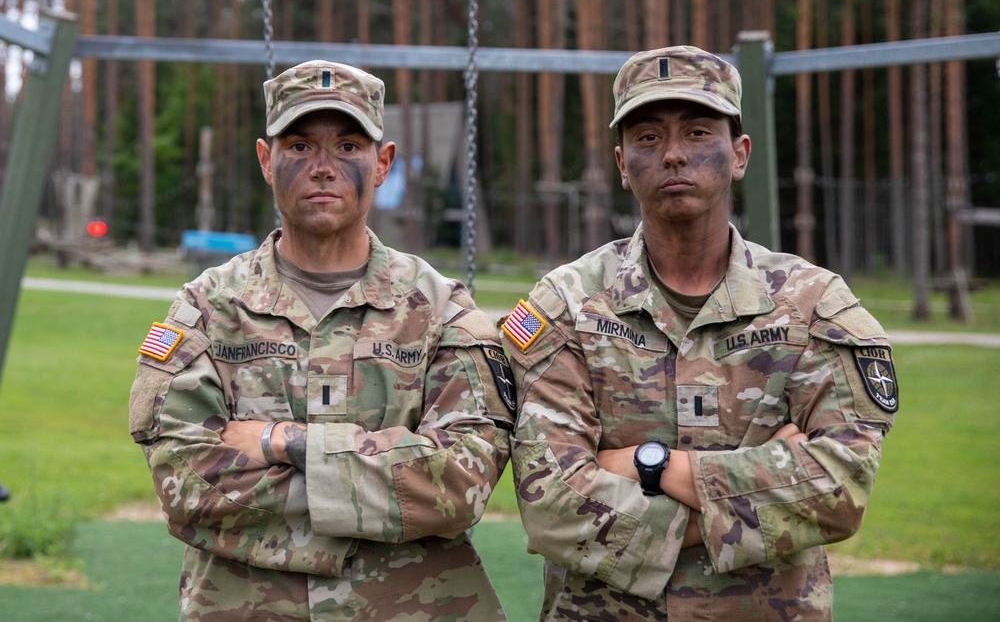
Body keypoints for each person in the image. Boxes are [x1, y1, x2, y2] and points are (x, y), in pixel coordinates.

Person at [500, 45, 898, 621]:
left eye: (697, 132)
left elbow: (840, 488)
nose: (674, 155)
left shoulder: (812, 304)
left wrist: (650, 465)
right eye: (648, 138)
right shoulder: (564, 304)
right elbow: (553, 506)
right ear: (621, 163)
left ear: (739, 155)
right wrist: (762, 481)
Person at [128, 60, 516, 621]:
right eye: (301, 147)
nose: (324, 169)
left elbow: (462, 483)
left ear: (382, 164)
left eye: (349, 147)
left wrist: (283, 442)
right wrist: (387, 477)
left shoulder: (440, 308)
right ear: (267, 160)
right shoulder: (208, 306)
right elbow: (184, 481)